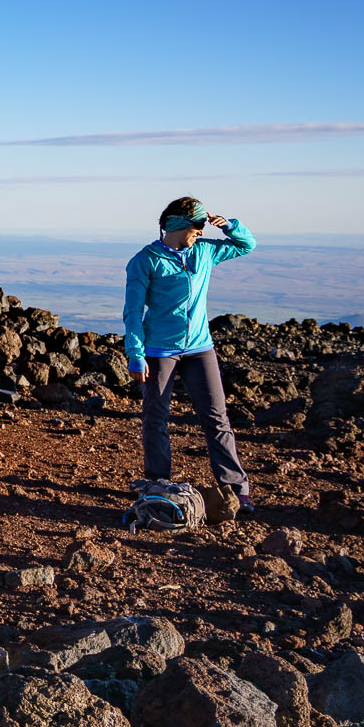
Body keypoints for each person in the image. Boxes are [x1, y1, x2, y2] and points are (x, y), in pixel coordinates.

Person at [122, 196, 257, 513]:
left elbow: (246, 245)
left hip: (200, 348)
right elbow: (132, 312)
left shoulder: (206, 251)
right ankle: (158, 483)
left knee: (216, 418)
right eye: (197, 228)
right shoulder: (145, 260)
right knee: (156, 418)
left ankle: (236, 490)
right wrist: (135, 353)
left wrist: (230, 225)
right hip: (159, 351)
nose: (201, 232)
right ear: (179, 226)